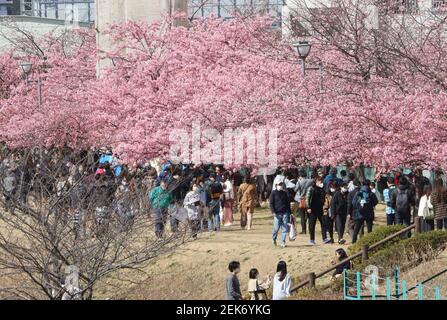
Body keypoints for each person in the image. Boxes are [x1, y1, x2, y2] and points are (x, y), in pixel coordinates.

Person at [306, 177, 327, 245]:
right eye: (319, 181)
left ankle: (325, 238)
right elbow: (307, 198)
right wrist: (308, 207)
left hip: (320, 208)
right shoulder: (311, 188)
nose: (321, 183)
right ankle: (312, 239)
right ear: (315, 182)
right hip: (312, 209)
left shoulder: (321, 189)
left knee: (323, 223)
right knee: (312, 224)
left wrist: (324, 205)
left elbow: (323, 198)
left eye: (321, 181)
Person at [269, 182, 291, 248]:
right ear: (276, 185)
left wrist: (289, 213)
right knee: (276, 228)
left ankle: (283, 242)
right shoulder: (273, 193)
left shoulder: (284, 193)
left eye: (281, 185)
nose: (280, 186)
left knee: (285, 229)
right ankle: (273, 239)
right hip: (277, 214)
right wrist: (273, 212)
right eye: (279, 185)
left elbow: (288, 203)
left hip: (285, 213)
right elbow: (271, 203)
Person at [293, 170, 313, 234]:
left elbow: (295, 189)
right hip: (309, 199)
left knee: (302, 216)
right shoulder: (311, 181)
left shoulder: (299, 182)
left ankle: (304, 230)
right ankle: (310, 229)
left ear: (300, 176)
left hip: (301, 200)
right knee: (309, 215)